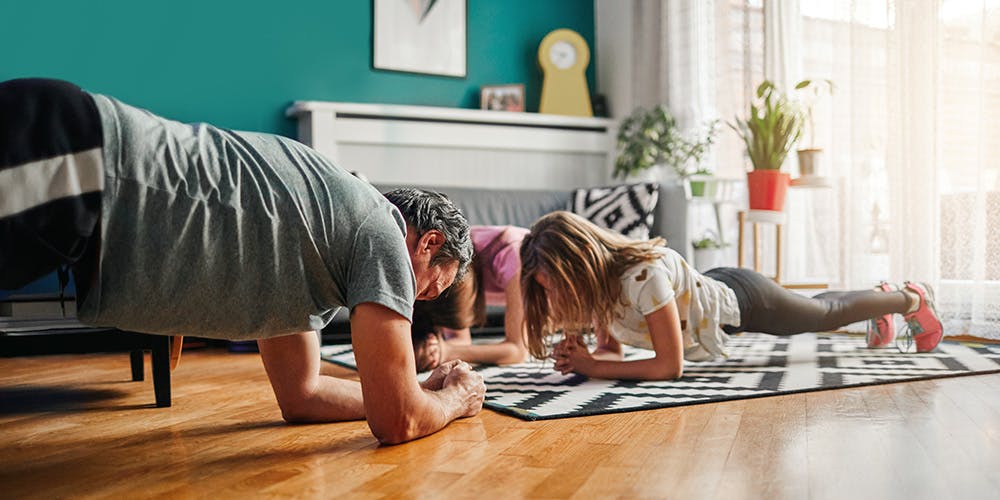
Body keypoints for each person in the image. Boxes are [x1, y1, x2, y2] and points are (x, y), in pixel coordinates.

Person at [0, 78, 485, 444]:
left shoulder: (322, 245)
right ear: (428, 242)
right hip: (78, 152)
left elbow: (303, 396)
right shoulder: (383, 230)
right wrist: (455, 398)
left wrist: (415, 390)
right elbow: (396, 420)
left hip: (78, 169)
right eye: (426, 288)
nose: (412, 304)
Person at [518, 211, 944, 381]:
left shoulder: (641, 278)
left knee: (822, 313)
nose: (553, 298)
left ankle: (908, 298)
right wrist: (587, 358)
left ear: (580, 266)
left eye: (554, 286)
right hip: (708, 285)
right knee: (819, 307)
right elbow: (612, 352)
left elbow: (669, 367)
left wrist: (593, 365)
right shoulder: (600, 287)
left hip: (745, 299)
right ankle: (879, 297)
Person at [411, 225, 530, 371]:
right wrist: (429, 349)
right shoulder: (445, 263)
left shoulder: (513, 256)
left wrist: (446, 352)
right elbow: (460, 340)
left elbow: (517, 350)